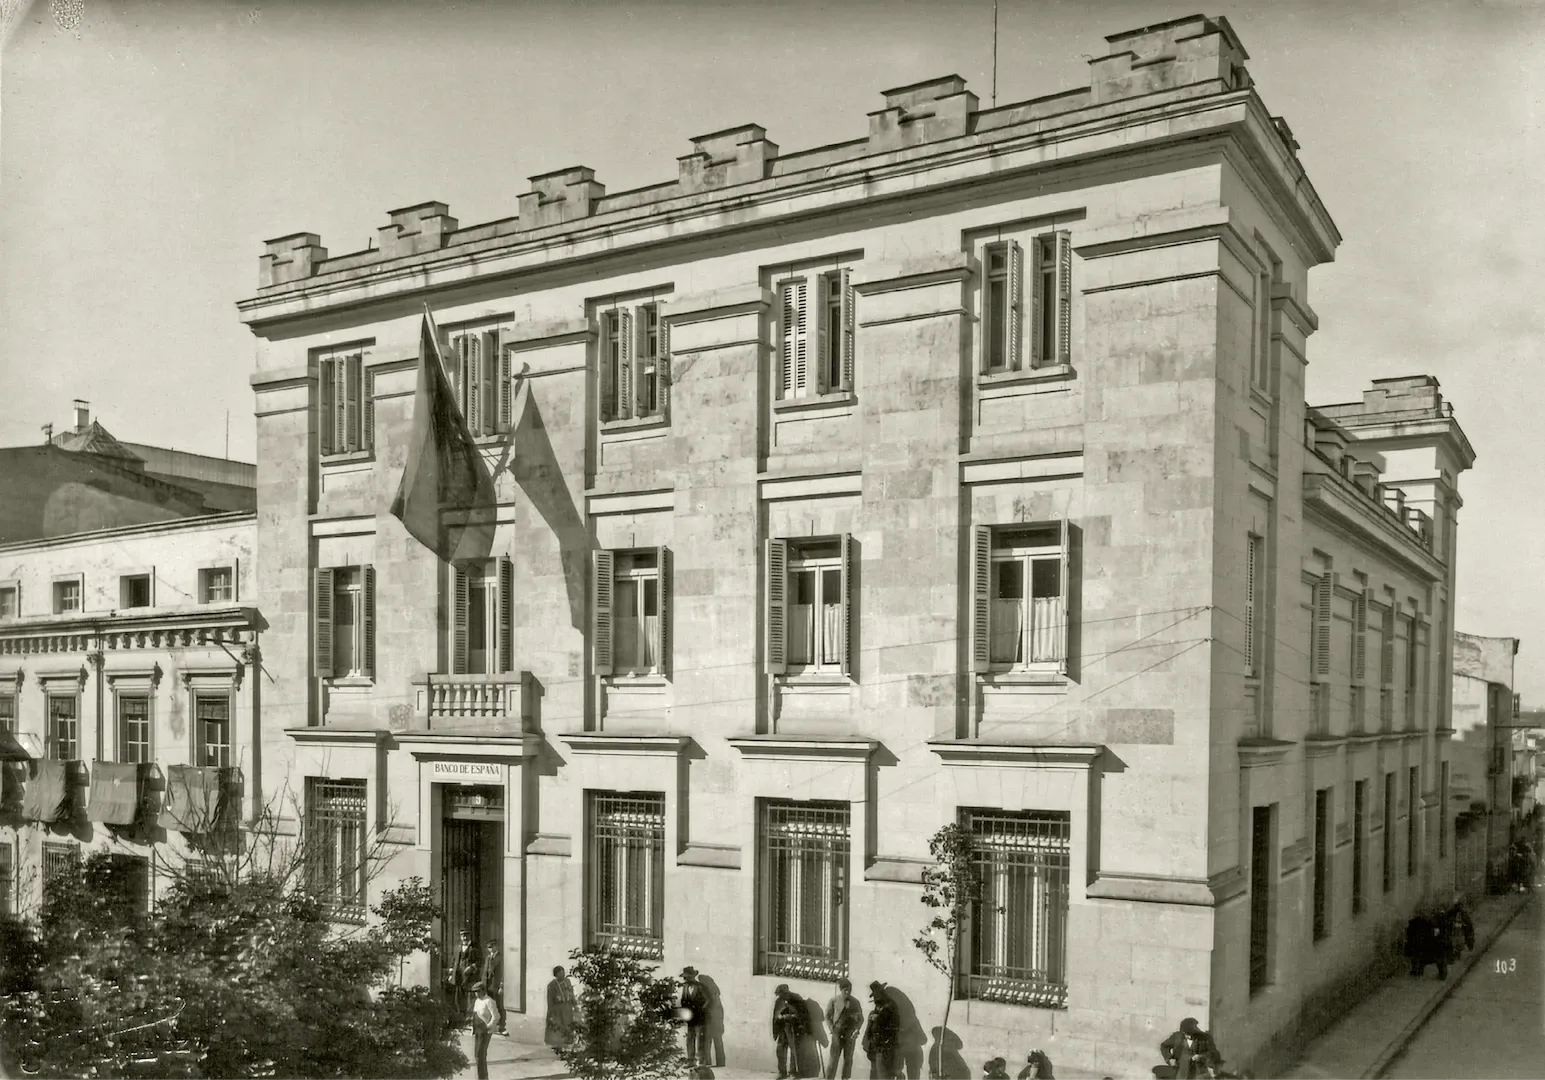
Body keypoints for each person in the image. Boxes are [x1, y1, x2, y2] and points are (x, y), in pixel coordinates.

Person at [824, 977, 864, 1080]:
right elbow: (827, 1016)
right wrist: (831, 1028)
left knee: (848, 1059)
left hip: (849, 1034)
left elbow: (860, 1019)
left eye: (849, 990)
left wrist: (857, 1029)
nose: (847, 992)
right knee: (833, 1059)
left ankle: (845, 1078)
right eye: (845, 990)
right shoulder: (834, 1000)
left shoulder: (855, 1002)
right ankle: (829, 1078)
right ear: (841, 990)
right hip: (837, 1032)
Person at [861, 982, 900, 1080]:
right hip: (876, 1047)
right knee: (875, 1075)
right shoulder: (879, 1005)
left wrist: (877, 1019)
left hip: (884, 1048)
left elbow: (893, 1026)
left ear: (881, 993)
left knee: (883, 1075)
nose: (874, 999)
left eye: (876, 995)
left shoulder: (890, 1006)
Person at [773, 983, 807, 1079]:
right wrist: (779, 1017)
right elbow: (775, 1015)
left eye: (783, 995)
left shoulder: (797, 999)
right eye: (780, 996)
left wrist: (791, 1017)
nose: (781, 997)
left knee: (794, 1051)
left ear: (787, 993)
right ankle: (782, 1072)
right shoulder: (779, 1001)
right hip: (782, 1028)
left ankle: (793, 1072)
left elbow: (802, 1015)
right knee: (780, 1050)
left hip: (793, 1028)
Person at [681, 967, 711, 1068]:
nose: (685, 980)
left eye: (687, 978)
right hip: (690, 1017)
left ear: (692, 977)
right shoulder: (685, 987)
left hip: (699, 1017)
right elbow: (683, 1000)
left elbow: (708, 1000)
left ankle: (701, 1060)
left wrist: (701, 1010)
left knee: (700, 1038)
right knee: (690, 1038)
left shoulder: (700, 987)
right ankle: (690, 1060)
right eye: (685, 978)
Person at [471, 982, 501, 1080]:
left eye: (478, 991)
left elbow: (496, 1016)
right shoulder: (477, 1001)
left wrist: (489, 1026)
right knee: (477, 1055)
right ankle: (482, 1077)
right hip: (478, 1031)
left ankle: (483, 1078)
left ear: (483, 990)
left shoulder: (489, 1001)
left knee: (480, 1054)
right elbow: (475, 1015)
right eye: (475, 992)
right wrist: (473, 1028)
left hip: (485, 1032)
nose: (476, 994)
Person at [450, 930, 480, 1024]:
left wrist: (472, 967)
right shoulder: (457, 948)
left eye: (466, 936)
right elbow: (454, 961)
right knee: (458, 997)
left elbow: (480, 961)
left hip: (469, 976)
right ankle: (461, 1018)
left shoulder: (475, 949)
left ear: (469, 936)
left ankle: (470, 1018)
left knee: (470, 997)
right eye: (463, 936)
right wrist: (451, 974)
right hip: (458, 976)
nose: (465, 938)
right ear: (460, 937)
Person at [545, 965, 577, 1048]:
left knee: (568, 1024)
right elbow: (550, 1000)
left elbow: (571, 992)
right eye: (560, 973)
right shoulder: (552, 985)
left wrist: (574, 1003)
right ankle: (558, 1045)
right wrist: (551, 1012)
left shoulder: (567, 981)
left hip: (567, 1008)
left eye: (563, 972)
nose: (563, 974)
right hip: (558, 1009)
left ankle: (568, 1043)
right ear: (556, 974)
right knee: (558, 1025)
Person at [481, 940, 506, 1035]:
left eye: (492, 947)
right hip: (488, 985)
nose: (490, 949)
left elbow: (503, 973)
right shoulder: (488, 958)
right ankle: (491, 1025)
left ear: (496, 947)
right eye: (488, 947)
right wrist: (483, 984)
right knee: (490, 1005)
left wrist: (501, 986)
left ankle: (502, 1026)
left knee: (499, 1005)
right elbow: (485, 972)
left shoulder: (500, 958)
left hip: (496, 985)